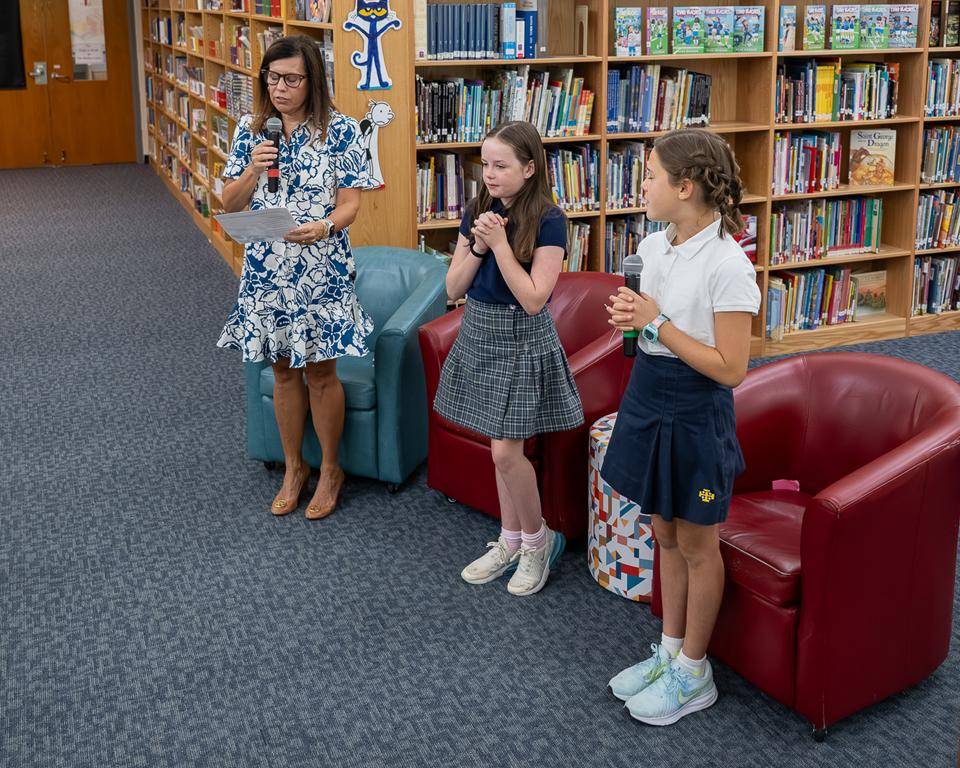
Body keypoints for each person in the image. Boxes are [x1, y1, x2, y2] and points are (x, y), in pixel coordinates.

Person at [601, 129, 761, 725]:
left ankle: (695, 673)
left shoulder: (728, 264)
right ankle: (669, 652)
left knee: (698, 543)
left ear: (685, 187)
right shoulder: (654, 245)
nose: (640, 185)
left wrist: (657, 322)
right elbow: (649, 327)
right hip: (648, 391)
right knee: (662, 531)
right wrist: (632, 319)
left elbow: (733, 368)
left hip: (696, 406)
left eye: (649, 176)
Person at [218, 35, 373, 520]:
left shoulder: (344, 130)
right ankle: (293, 469)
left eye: (291, 79)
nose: (279, 87)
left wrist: (325, 225)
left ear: (313, 81)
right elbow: (229, 203)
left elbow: (350, 204)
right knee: (283, 369)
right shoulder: (252, 129)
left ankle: (330, 469)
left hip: (320, 265)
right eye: (272, 77)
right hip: (268, 269)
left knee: (322, 372)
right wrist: (251, 171)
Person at [434, 120, 582, 596]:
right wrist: (478, 244)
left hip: (521, 338)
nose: (490, 175)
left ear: (529, 168)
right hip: (479, 332)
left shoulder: (550, 219)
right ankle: (510, 538)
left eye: (501, 166)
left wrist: (499, 247)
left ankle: (538, 542)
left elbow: (536, 298)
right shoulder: (479, 208)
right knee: (502, 452)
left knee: (505, 450)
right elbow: (453, 289)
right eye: (486, 164)